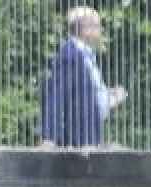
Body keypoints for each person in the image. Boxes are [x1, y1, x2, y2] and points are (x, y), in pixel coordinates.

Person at [39, 6, 126, 148]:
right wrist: (49, 138)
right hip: (77, 141)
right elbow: (56, 96)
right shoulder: (70, 55)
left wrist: (110, 97)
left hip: (88, 137)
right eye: (98, 25)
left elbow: (85, 97)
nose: (101, 29)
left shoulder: (85, 55)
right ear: (85, 28)